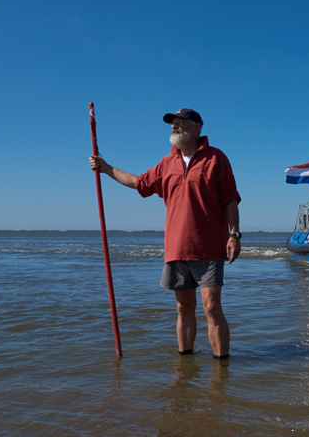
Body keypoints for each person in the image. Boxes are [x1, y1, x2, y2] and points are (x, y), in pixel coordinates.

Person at [90, 108, 241, 359]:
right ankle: (185, 365)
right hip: (176, 247)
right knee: (183, 308)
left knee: (212, 307)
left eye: (181, 123)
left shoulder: (216, 159)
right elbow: (138, 182)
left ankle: (221, 372)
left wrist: (234, 235)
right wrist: (106, 169)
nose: (175, 127)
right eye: (173, 123)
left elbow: (230, 200)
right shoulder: (167, 163)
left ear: (197, 128)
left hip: (210, 247)